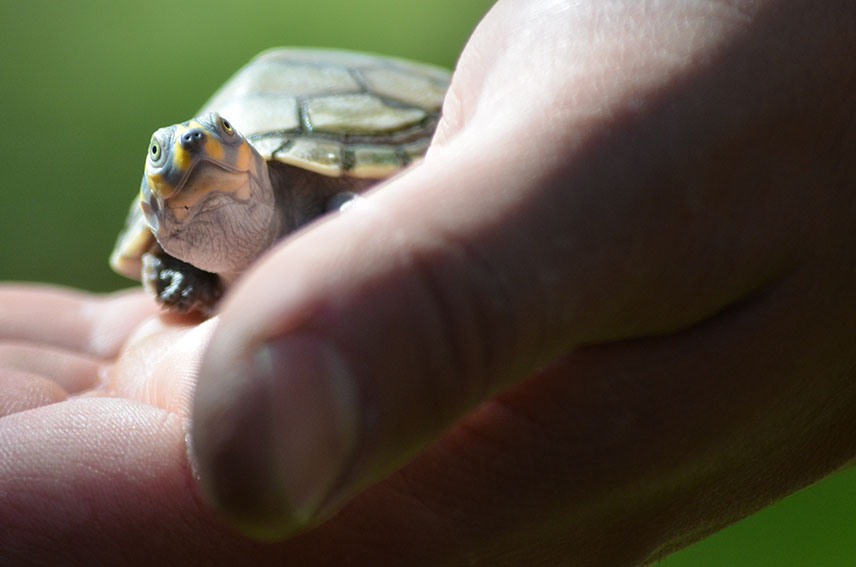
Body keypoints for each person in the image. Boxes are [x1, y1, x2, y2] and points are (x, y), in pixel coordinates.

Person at [2, 0, 855, 564]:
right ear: (159, 201)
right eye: (172, 158)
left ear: (256, 169)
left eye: (214, 142)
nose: (194, 157)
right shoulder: (174, 255)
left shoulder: (318, 196)